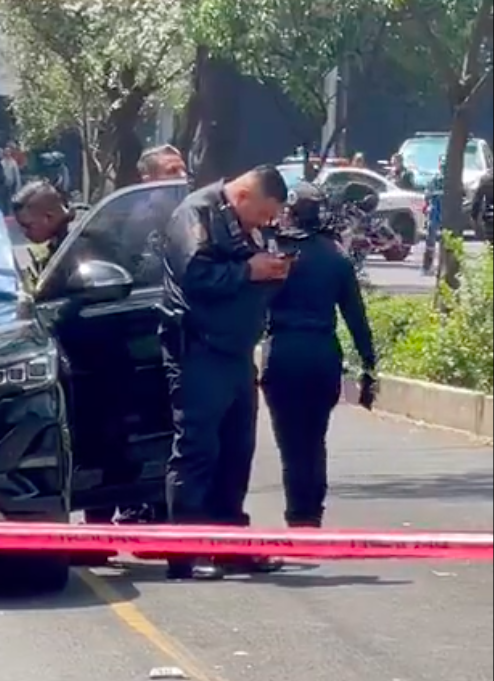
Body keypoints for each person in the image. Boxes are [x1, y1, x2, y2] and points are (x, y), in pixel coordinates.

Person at [159, 165, 292, 581]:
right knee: (198, 452)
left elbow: (247, 273)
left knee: (237, 451)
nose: (266, 223)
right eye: (265, 214)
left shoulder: (244, 224)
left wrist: (271, 269)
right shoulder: (196, 214)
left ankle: (229, 544)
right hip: (199, 350)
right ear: (244, 196)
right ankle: (186, 551)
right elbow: (196, 276)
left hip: (236, 354)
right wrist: (249, 271)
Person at [262, 182, 377, 530]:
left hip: (282, 353)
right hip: (323, 355)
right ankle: (313, 514)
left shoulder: (274, 254)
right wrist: (369, 366)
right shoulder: (336, 256)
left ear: (290, 211)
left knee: (290, 442)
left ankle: (298, 515)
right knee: (315, 437)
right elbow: (357, 319)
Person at [470, 167, 493, 240]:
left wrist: (474, 215)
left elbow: (477, 199)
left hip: (489, 213)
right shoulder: (486, 179)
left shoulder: (485, 179)